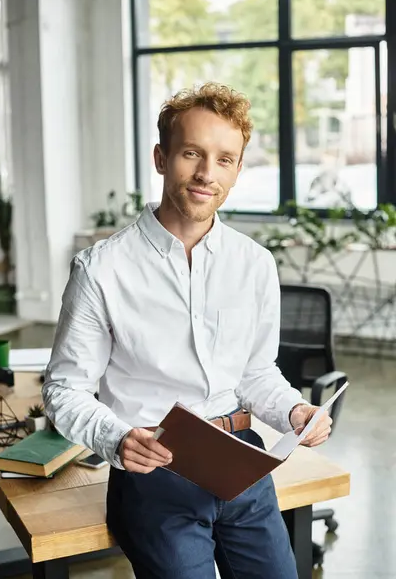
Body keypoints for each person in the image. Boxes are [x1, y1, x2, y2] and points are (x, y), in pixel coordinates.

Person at [42, 82, 332, 579]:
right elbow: (65, 390)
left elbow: (256, 372)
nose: (205, 174)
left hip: (244, 467)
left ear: (238, 170)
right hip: (155, 477)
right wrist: (117, 438)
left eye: (224, 159)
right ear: (161, 157)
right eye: (191, 154)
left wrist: (293, 409)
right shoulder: (100, 269)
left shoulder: (255, 264)